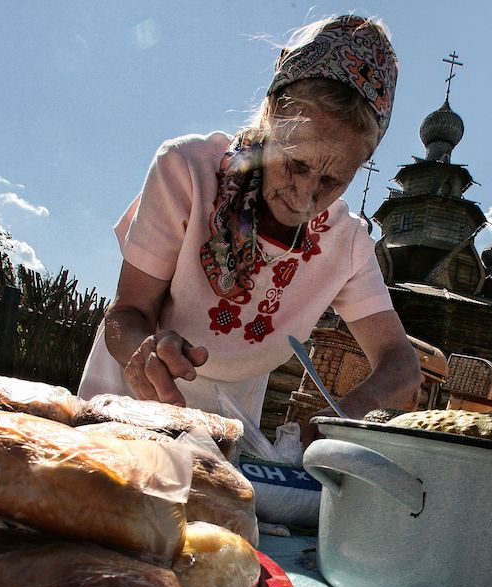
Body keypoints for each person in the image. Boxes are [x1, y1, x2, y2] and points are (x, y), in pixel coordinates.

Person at [79, 15, 422, 441]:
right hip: (128, 403)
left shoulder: (346, 243)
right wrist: (143, 351)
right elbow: (128, 312)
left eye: (333, 180)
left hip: (227, 432)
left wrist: (336, 419)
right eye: (295, 164)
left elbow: (400, 365)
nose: (303, 198)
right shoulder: (188, 172)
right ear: (274, 114)